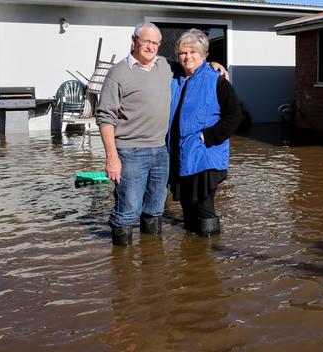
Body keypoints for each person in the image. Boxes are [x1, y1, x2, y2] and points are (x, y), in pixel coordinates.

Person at [96, 23, 227, 246]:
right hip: (131, 151)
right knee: (127, 210)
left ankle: (151, 263)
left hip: (162, 150)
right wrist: (112, 157)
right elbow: (105, 118)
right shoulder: (117, 73)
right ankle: (123, 269)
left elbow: (193, 62)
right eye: (146, 41)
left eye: (155, 42)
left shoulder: (166, 66)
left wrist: (213, 63)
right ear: (134, 40)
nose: (151, 46)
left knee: (155, 210)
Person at [168, 29, 241, 237]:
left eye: (193, 52)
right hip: (181, 155)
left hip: (204, 155)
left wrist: (208, 136)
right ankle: (191, 256)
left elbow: (234, 115)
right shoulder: (176, 77)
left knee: (203, 205)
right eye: (183, 52)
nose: (188, 56)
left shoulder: (216, 80)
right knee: (186, 205)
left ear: (204, 55)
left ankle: (210, 250)